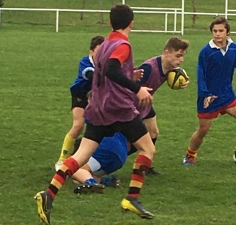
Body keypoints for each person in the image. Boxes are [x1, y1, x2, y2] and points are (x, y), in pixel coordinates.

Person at [35, 4, 155, 225]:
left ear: (110, 23)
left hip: (98, 109)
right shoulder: (123, 44)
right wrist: (137, 89)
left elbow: (107, 71)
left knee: (79, 157)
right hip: (119, 109)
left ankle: (48, 194)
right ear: (131, 23)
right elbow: (111, 68)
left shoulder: (105, 44)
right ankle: (132, 198)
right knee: (148, 149)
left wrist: (131, 75)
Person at [183, 16, 236, 166]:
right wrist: (205, 94)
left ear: (227, 32)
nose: (217, 34)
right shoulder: (206, 52)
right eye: (215, 31)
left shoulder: (235, 49)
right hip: (209, 97)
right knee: (203, 130)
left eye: (221, 31)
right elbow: (201, 76)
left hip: (227, 95)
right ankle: (190, 155)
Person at [127, 37, 190, 168]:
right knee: (128, 142)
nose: (181, 60)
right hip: (132, 106)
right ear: (167, 53)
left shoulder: (170, 67)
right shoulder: (149, 68)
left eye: (182, 56)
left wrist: (181, 82)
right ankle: (106, 152)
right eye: (178, 56)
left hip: (146, 104)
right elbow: (128, 86)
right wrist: (139, 89)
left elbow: (172, 76)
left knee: (153, 133)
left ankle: (145, 165)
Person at [54, 36, 105, 171]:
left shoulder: (105, 64)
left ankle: (83, 154)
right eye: (98, 51)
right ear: (91, 52)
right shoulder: (85, 62)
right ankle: (62, 159)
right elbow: (91, 76)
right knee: (78, 125)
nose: (101, 54)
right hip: (80, 94)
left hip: (95, 97)